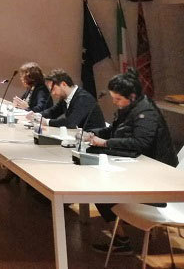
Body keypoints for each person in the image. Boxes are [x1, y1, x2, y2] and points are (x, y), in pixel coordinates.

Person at [87, 69, 178, 254]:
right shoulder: (130, 108)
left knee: (100, 190)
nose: (115, 102)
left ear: (132, 96)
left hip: (157, 180)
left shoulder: (147, 112)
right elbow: (115, 130)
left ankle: (121, 241)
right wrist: (93, 133)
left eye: (118, 99)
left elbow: (140, 143)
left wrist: (105, 143)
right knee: (96, 186)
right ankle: (121, 236)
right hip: (140, 168)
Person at [0, 62, 53, 183]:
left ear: (30, 77)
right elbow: (23, 102)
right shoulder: (31, 89)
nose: (21, 79)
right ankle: (13, 171)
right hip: (28, 123)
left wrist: (27, 107)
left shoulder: (41, 90)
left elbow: (41, 109)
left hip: (41, 127)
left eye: (22, 76)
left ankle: (25, 176)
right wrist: (17, 104)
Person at [28, 69, 106, 130]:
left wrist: (46, 122)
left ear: (63, 84)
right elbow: (53, 111)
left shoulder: (83, 98)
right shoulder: (65, 97)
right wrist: (38, 115)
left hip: (92, 140)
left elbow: (71, 122)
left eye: (53, 89)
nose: (53, 93)